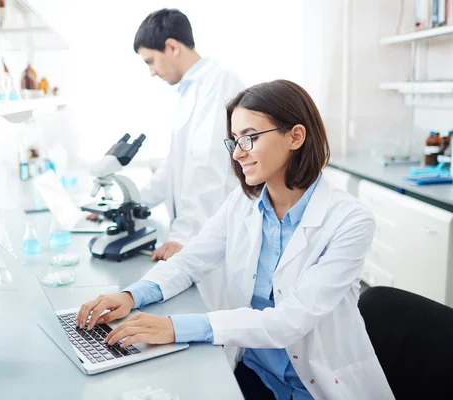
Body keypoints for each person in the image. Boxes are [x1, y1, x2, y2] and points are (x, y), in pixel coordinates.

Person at [76, 80, 395, 399]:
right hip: (254, 373)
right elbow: (189, 262)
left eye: (250, 138)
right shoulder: (242, 204)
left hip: (315, 386)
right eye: (234, 141)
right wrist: (132, 296)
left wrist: (176, 327)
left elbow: (290, 321)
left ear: (295, 136)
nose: (239, 153)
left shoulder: (350, 221)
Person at [133, 8, 244, 311]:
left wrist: (184, 235)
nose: (152, 71)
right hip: (197, 227)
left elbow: (207, 166)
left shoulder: (219, 82)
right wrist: (134, 202)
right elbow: (175, 165)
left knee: (218, 313)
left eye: (150, 61)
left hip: (210, 225)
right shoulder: (189, 90)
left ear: (171, 46)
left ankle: (231, 360)